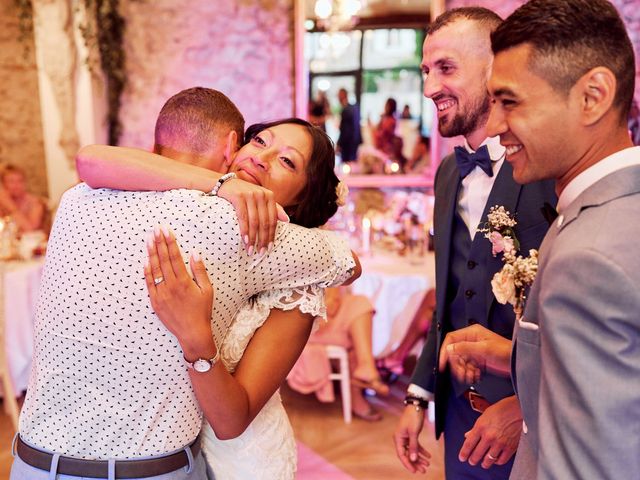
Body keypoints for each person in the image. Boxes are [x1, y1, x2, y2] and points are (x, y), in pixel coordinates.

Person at [11, 88, 358, 480]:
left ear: (300, 200)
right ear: (233, 147)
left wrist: (197, 339)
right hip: (162, 462)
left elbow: (91, 159)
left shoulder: (76, 200)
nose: (260, 158)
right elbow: (349, 262)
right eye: (259, 141)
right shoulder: (228, 222)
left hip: (37, 464)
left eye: (286, 161)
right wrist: (220, 185)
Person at [442, 1, 640, 478]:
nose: (493, 126)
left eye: (510, 102)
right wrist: (518, 355)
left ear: (592, 96)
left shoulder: (589, 255)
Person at [393, 8, 557, 478]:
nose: (428, 89)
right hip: (460, 420)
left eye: (445, 68)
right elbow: (447, 299)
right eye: (426, 71)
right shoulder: (448, 173)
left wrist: (527, 407)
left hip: (530, 422)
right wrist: (418, 395)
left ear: (494, 67)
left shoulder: (547, 166)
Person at [287, 286, 389, 422]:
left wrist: (334, 292)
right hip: (305, 321)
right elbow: (330, 306)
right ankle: (362, 377)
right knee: (350, 326)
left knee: (360, 302)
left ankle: (366, 365)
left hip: (329, 312)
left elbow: (334, 301)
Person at [0, 164, 47, 234]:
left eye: (20, 181)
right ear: (4, 185)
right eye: (11, 181)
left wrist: (11, 207)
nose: (16, 185)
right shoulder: (2, 203)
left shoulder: (35, 203)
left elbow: (30, 230)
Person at [337, 88, 362, 162]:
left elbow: (345, 129)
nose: (338, 98)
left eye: (339, 95)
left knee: (347, 164)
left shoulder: (347, 110)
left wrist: (340, 143)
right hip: (354, 142)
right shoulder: (354, 108)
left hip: (348, 143)